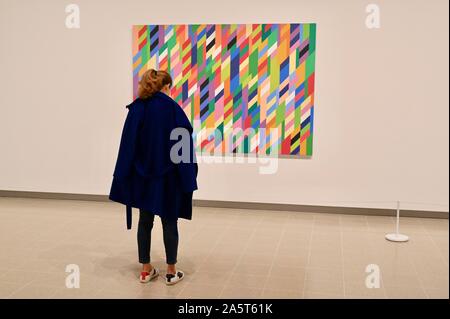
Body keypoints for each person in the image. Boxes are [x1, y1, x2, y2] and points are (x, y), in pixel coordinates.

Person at [109, 69, 198, 285]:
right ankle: (171, 271)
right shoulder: (173, 109)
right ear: (166, 87)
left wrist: (122, 175)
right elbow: (183, 144)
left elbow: (127, 145)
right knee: (169, 221)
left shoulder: (137, 108)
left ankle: (146, 269)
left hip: (142, 177)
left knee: (145, 221)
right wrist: (189, 175)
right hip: (168, 178)